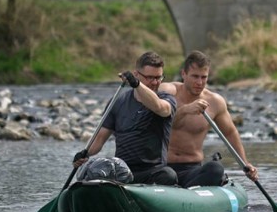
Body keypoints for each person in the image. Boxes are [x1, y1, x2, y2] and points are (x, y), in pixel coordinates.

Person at [73, 51, 177, 185]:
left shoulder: (166, 99)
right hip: (122, 170)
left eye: (158, 77)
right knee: (93, 172)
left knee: (169, 175)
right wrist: (84, 154)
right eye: (150, 77)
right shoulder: (117, 101)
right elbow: (99, 139)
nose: (155, 82)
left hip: (153, 171)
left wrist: (137, 84)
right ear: (136, 74)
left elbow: (160, 108)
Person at [159, 51, 259, 188]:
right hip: (162, 166)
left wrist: (245, 163)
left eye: (203, 77)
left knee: (215, 169)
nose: (199, 82)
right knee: (163, 175)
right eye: (195, 76)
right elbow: (158, 121)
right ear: (183, 74)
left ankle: (184, 193)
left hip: (191, 168)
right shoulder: (169, 91)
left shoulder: (215, 102)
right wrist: (185, 110)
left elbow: (230, 132)